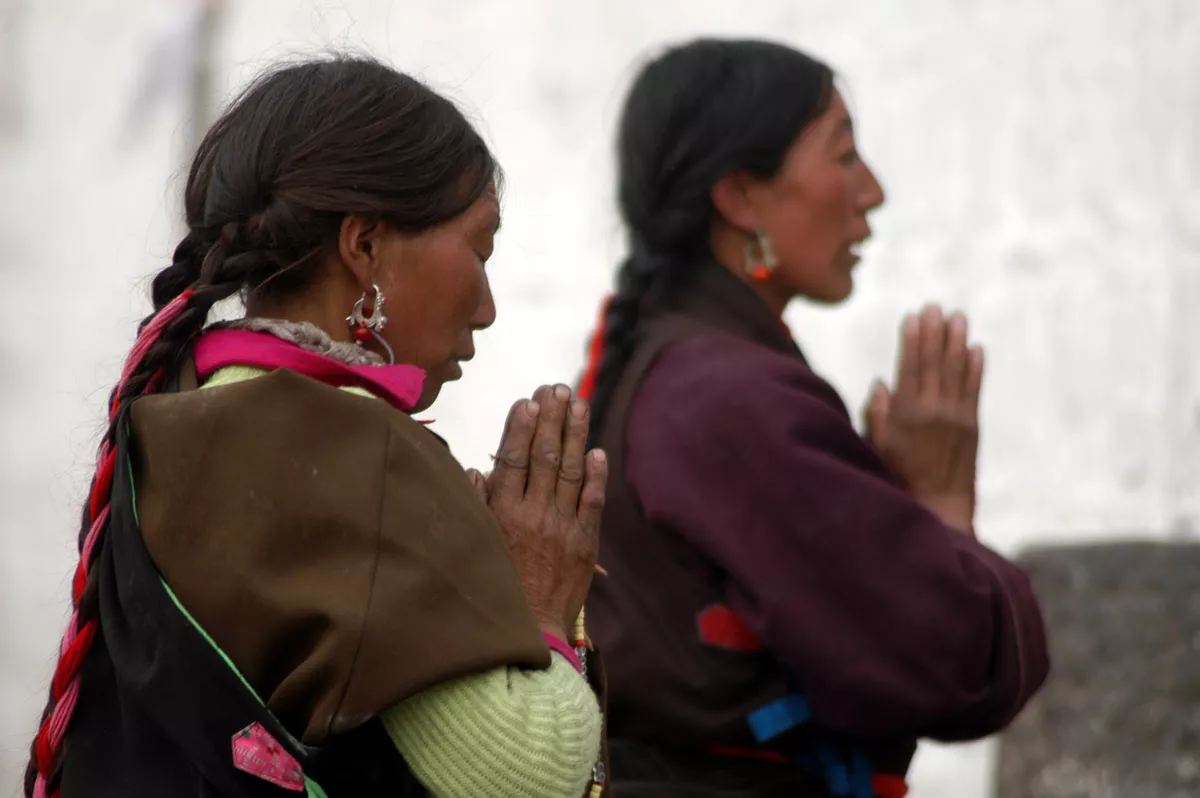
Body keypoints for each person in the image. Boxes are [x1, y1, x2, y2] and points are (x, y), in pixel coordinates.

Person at [25, 56, 609, 798]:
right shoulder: (350, 450)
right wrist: (540, 594)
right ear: (364, 246)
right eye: (480, 249)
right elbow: (525, 775)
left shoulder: (184, 402)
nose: (488, 305)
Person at [578, 38, 1050, 798]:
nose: (872, 191)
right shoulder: (727, 398)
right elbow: (951, 665)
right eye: (843, 155)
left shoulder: (683, 368)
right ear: (741, 197)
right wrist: (939, 502)